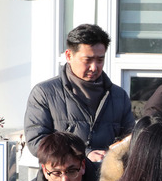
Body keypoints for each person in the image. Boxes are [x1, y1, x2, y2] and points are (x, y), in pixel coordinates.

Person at [24, 23, 135, 163]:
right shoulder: (44, 93)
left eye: (100, 60)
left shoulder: (119, 96)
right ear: (69, 55)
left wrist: (112, 154)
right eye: (87, 60)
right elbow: (37, 141)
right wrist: (85, 154)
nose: (94, 67)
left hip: (107, 179)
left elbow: (131, 139)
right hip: (62, 180)